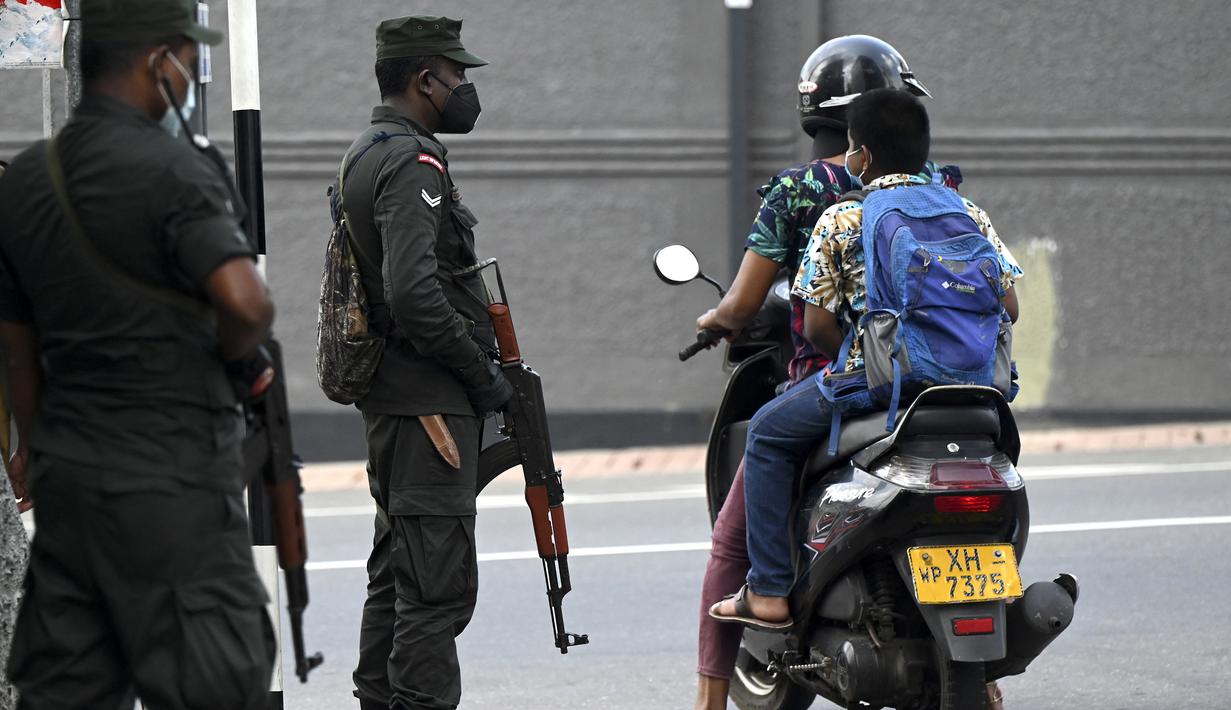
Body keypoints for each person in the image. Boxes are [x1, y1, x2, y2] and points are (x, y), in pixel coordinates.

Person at [0, 1, 278, 708]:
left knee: (73, 688)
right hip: (170, 484)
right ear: (162, 60)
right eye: (187, 58)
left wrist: (35, 451)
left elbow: (17, 349)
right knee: (211, 683)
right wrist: (227, 354)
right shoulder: (175, 169)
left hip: (69, 487)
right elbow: (246, 304)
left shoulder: (27, 181)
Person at [710, 88, 1022, 706]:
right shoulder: (968, 212)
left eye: (853, 148)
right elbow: (1009, 305)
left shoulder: (845, 217)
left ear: (861, 154)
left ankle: (769, 590)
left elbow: (815, 327)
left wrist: (862, 350)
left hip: (881, 386)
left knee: (770, 433)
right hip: (973, 395)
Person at [692, 35, 937, 710]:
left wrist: (717, 320)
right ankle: (987, 680)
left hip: (834, 381)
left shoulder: (802, 192)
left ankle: (717, 685)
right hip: (942, 380)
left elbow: (751, 304)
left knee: (730, 543)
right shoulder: (938, 185)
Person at [340, 16, 512, 710]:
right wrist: (483, 376)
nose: (466, 90)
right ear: (424, 80)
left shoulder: (366, 150)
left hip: (401, 403)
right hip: (428, 405)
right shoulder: (412, 162)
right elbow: (414, 293)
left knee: (400, 574)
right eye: (458, 77)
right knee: (434, 592)